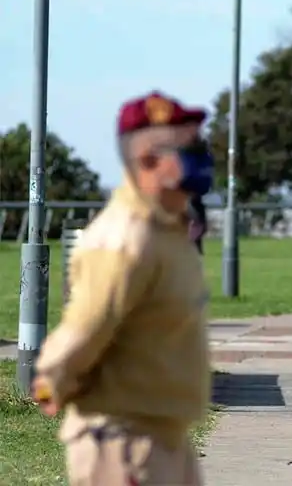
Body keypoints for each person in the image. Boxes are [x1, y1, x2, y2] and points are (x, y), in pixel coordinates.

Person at [32, 92, 213, 485]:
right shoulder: (125, 239)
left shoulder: (168, 230)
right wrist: (51, 384)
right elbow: (86, 328)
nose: (203, 156)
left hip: (165, 434)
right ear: (148, 159)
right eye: (190, 147)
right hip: (122, 442)